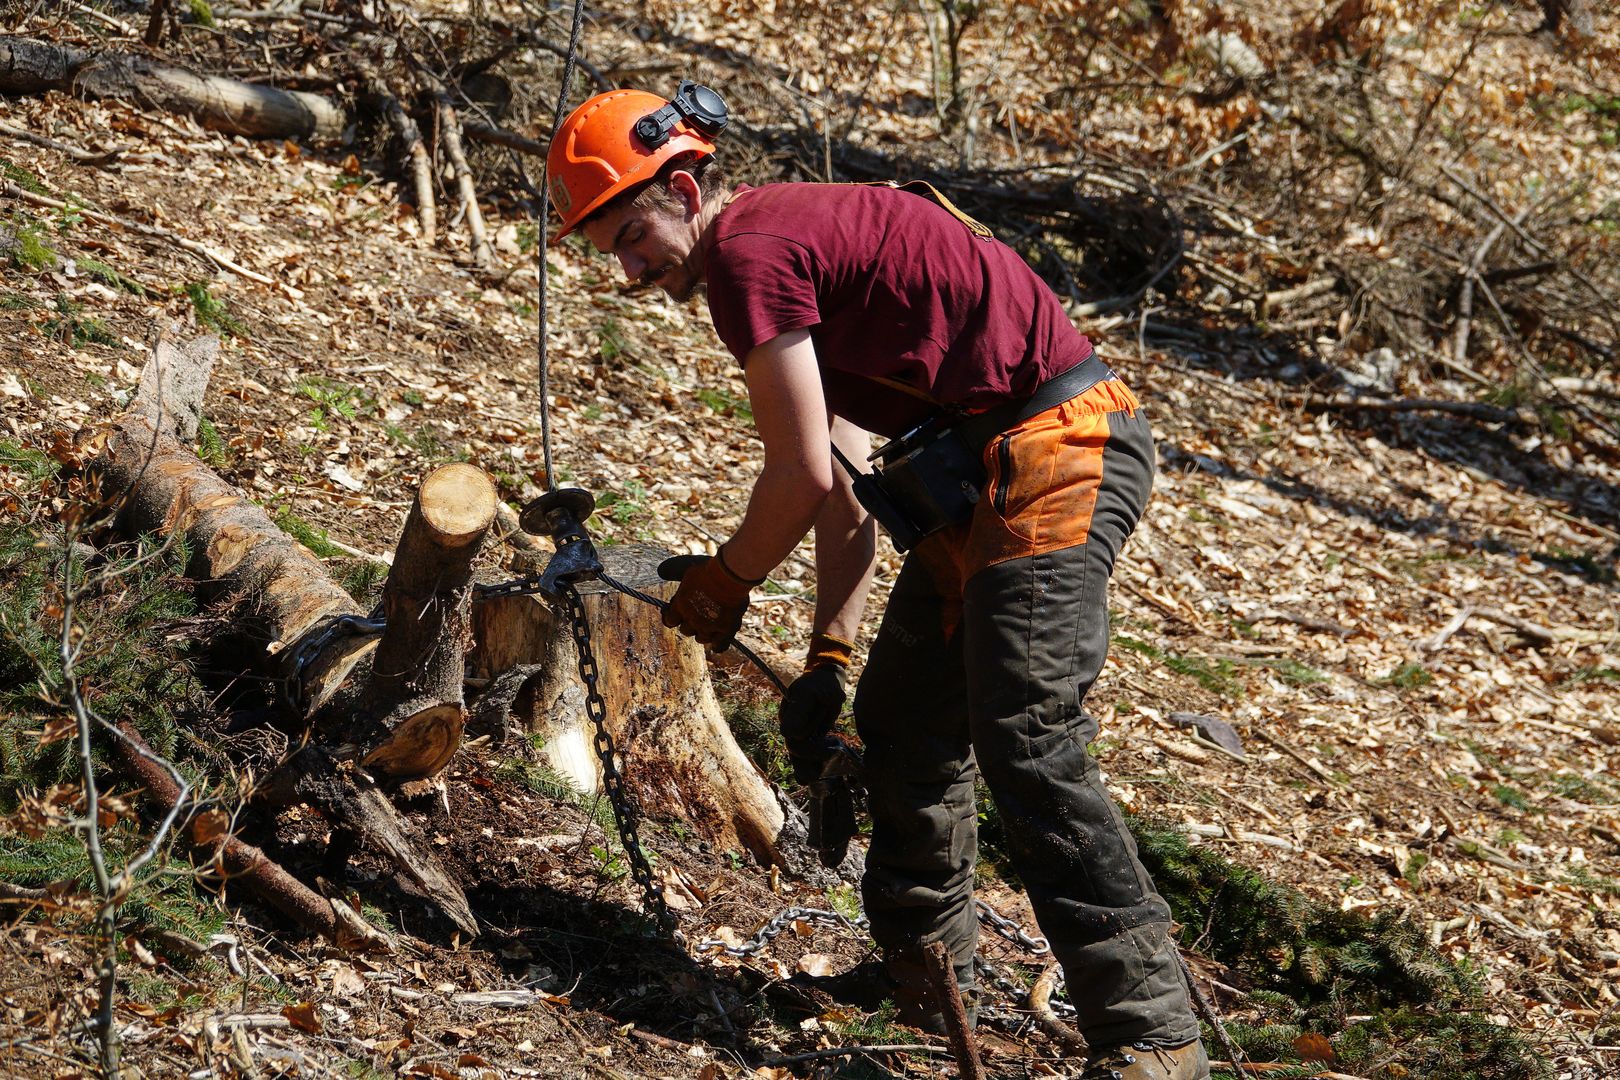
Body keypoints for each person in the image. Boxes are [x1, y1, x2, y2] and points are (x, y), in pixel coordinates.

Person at [545, 83, 1210, 1080]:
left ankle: (1153, 1036)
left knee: (1026, 737)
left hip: (1059, 451)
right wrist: (828, 655)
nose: (633, 269)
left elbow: (800, 473)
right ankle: (922, 970)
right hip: (981, 476)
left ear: (684, 184)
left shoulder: (749, 257)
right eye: (613, 252)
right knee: (902, 722)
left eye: (634, 234)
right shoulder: (783, 240)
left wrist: (725, 586)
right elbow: (848, 481)